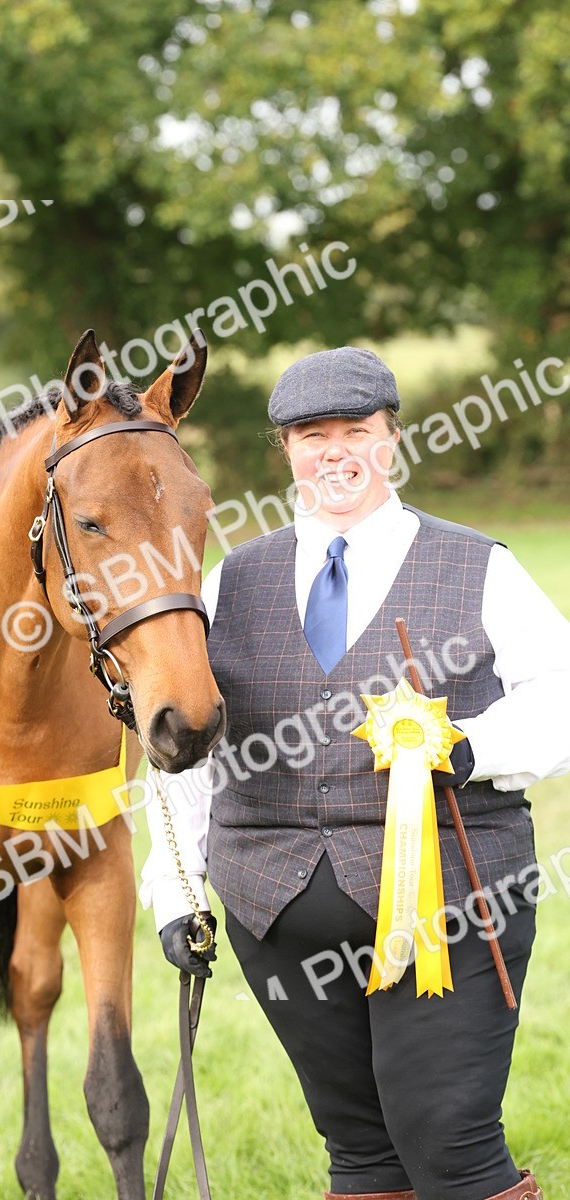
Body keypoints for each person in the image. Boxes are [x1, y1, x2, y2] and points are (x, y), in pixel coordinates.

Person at [140, 346, 570, 1200]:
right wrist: (177, 892)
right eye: (310, 434)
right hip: (276, 914)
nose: (333, 451)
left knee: (449, 1144)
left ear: (391, 441)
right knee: (362, 1155)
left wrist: (468, 746)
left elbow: (560, 695)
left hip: (451, 906)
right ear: (286, 451)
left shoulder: (478, 566)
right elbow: (183, 757)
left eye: (355, 431)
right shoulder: (229, 581)